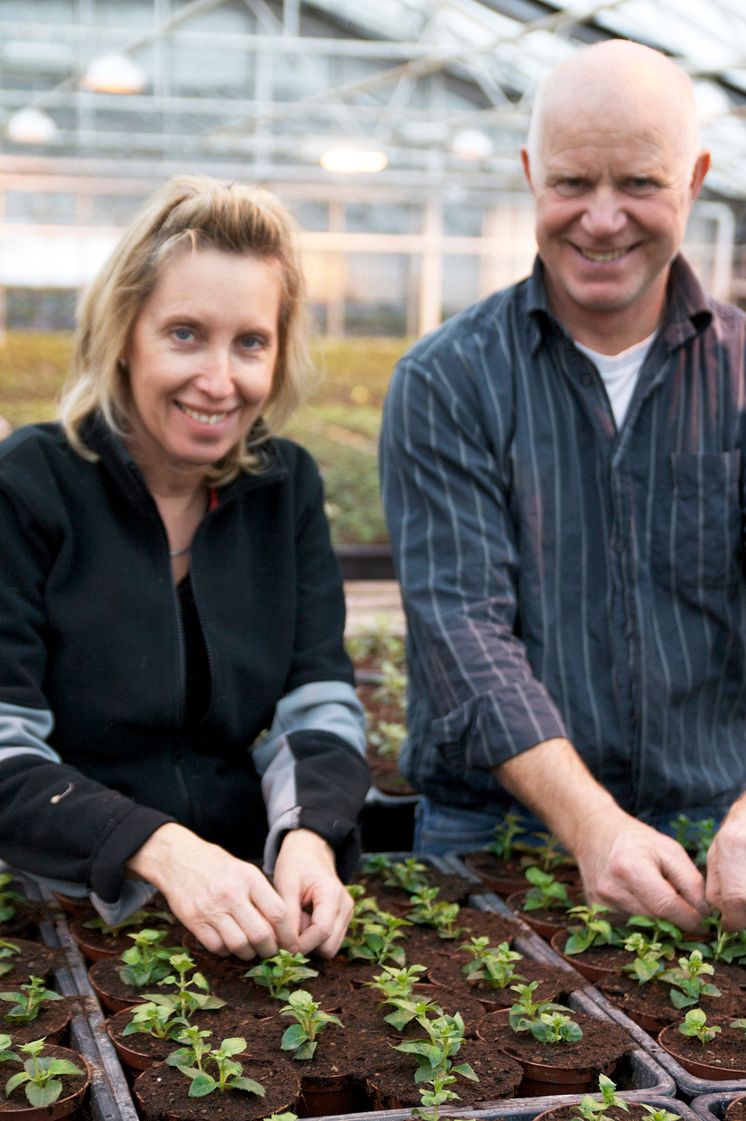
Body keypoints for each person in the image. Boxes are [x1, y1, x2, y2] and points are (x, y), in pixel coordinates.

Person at [380, 39, 746, 933]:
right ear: (530, 174)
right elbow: (461, 626)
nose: (603, 218)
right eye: (574, 182)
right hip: (494, 831)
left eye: (640, 184)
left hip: (716, 829)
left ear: (694, 179)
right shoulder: (447, 380)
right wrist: (591, 824)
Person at [0, 175, 369, 960]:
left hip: (238, 905)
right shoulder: (30, 485)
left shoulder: (283, 487)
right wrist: (163, 850)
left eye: (250, 343)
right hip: (55, 903)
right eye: (184, 334)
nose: (219, 380)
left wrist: (309, 836)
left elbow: (319, 700)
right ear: (124, 334)